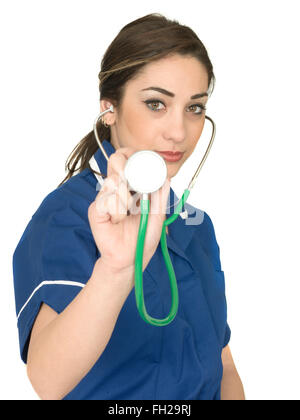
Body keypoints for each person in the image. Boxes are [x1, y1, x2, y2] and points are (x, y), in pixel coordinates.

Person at [12, 13, 245, 400]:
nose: (179, 132)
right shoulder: (65, 219)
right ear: (109, 109)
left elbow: (224, 367)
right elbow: (47, 382)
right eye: (156, 103)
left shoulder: (195, 225)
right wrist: (116, 271)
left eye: (194, 108)